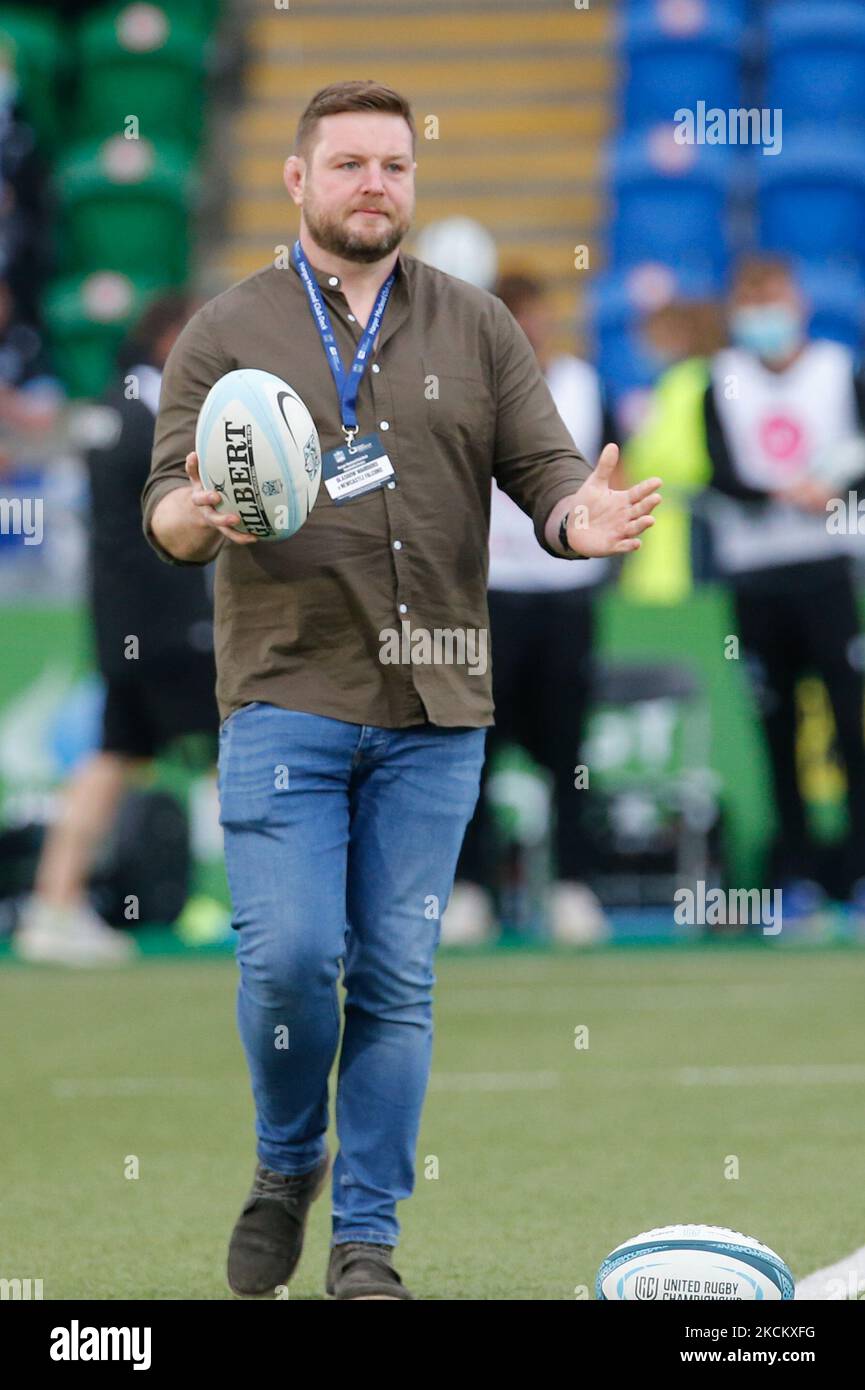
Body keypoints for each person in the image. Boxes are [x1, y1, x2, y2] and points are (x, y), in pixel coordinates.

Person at [141, 80, 662, 1301]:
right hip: (286, 696)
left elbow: (544, 471)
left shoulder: (476, 324)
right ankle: (286, 1165)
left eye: (395, 165)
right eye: (350, 164)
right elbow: (165, 503)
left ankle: (364, 1240)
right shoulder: (227, 329)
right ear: (297, 180)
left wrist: (579, 519)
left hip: (439, 709)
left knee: (393, 978)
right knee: (288, 962)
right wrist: (194, 518)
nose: (375, 183)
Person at [15, 293, 219, 966]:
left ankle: (53, 904)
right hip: (167, 624)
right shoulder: (155, 417)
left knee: (112, 759)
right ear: (170, 340)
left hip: (121, 626)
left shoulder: (108, 408)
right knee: (248, 743)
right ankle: (253, 906)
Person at [445, 272, 616, 945]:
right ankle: (469, 890)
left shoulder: (581, 385)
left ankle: (573, 886)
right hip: (487, 593)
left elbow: (609, 473)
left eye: (533, 318)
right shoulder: (462, 388)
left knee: (568, 750)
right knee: (472, 750)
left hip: (564, 595)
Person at [698, 255, 865, 911]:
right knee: (776, 727)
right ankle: (794, 870)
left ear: (796, 306)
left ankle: (853, 867)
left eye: (773, 302)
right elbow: (717, 472)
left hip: (825, 571)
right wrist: (780, 491)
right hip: (755, 577)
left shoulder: (834, 371)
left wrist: (829, 492)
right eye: (751, 303)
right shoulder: (722, 379)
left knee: (847, 724)